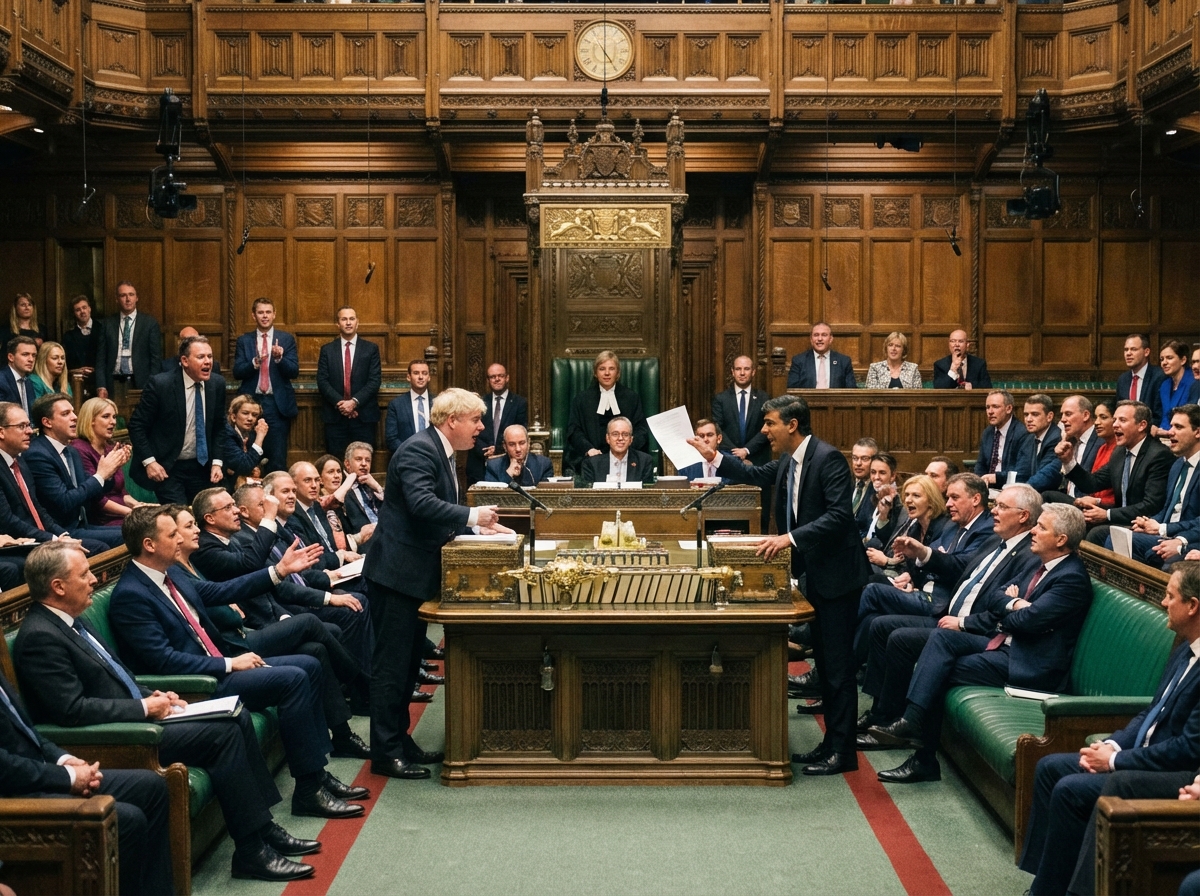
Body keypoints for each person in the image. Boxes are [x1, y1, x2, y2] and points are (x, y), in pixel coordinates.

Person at [12, 540, 321, 883]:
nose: (94, 580)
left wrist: (153, 694)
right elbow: (72, 710)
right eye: (84, 575)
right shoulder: (40, 636)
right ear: (58, 586)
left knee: (235, 716)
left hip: (138, 715)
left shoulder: (72, 619)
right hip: (120, 737)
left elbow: (118, 676)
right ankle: (252, 851)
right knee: (222, 734)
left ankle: (262, 831)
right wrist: (143, 707)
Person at [108, 505, 366, 820]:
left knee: (309, 663)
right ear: (149, 544)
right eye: (172, 533)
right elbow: (163, 660)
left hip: (216, 661)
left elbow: (222, 590)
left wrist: (279, 571)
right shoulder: (131, 595)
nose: (180, 538)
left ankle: (317, 776)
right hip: (197, 685)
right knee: (294, 677)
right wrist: (230, 664)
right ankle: (308, 791)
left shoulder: (168, 574)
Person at [689, 395, 869, 775]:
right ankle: (830, 745)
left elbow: (840, 516)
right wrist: (715, 457)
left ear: (792, 424)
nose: (764, 430)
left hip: (839, 578)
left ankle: (843, 753)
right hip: (816, 575)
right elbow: (756, 475)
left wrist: (790, 539)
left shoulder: (828, 458)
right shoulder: (789, 459)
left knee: (838, 669)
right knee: (825, 664)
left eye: (769, 423)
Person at [868, 501, 1092, 783]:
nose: (1034, 531)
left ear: (1061, 539)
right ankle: (911, 722)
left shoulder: (1071, 578)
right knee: (941, 639)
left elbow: (1029, 621)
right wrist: (1015, 604)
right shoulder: (1041, 563)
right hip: (1004, 644)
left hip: (1026, 663)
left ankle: (923, 756)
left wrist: (1011, 607)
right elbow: (995, 597)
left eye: (1041, 527)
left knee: (940, 670)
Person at [1019, 561, 1200, 896]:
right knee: (1050, 767)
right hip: (1142, 755)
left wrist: (1114, 761)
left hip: (1178, 772)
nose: (1163, 602)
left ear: (1192, 606)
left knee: (1074, 789)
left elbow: (1187, 748)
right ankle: (1046, 883)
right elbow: (1151, 712)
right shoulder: (1184, 649)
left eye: (1170, 596)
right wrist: (1112, 746)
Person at [363, 388, 512, 779]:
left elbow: (433, 516)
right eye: (475, 420)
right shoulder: (418, 450)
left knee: (409, 664)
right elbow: (421, 504)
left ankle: (399, 741)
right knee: (392, 667)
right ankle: (385, 753)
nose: (481, 428)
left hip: (412, 577)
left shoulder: (441, 450)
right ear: (452, 421)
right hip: (396, 576)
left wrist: (477, 531)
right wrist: (473, 516)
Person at [170, 501, 371, 759]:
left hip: (245, 630)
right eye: (187, 527)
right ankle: (363, 683)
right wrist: (278, 569)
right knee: (310, 623)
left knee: (315, 650)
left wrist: (277, 589)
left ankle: (343, 736)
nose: (196, 530)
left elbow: (223, 592)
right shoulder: (192, 560)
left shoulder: (188, 564)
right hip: (237, 642)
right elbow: (236, 580)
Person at [0, 662, 173, 895]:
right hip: (14, 795)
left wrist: (65, 760)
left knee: (150, 786)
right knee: (127, 820)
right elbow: (5, 768)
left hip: (42, 774)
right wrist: (69, 778)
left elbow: (30, 735)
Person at [853, 472, 996, 665]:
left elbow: (957, 566)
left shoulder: (979, 528)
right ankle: (847, 665)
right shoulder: (950, 527)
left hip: (940, 603)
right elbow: (926, 563)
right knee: (873, 618)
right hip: (924, 591)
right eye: (907, 495)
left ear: (976, 499)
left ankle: (838, 651)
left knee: (872, 588)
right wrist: (912, 578)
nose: (948, 504)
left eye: (954, 497)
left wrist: (918, 557)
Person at [0, 401, 109, 557]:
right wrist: (54, 539)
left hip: (43, 535)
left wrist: (63, 535)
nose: (30, 431)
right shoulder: (34, 455)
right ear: (1, 432)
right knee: (99, 548)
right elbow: (8, 520)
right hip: (18, 542)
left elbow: (38, 509)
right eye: (21, 426)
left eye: (29, 425)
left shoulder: (20, 462)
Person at [1056, 399, 1173, 543]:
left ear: (1142, 425)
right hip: (1121, 517)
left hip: (1145, 524)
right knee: (1074, 522)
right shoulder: (1119, 452)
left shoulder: (1158, 455)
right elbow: (1092, 483)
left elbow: (1151, 505)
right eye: (1115, 419)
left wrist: (1107, 514)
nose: (1115, 424)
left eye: (1122, 420)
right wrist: (1068, 461)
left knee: (1096, 533)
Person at [127, 334, 226, 504]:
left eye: (210, 356)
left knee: (205, 513)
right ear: (185, 361)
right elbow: (137, 425)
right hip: (168, 467)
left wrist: (217, 462)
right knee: (180, 515)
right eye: (201, 357)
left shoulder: (217, 384)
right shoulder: (161, 384)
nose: (208, 362)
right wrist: (149, 462)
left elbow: (219, 426)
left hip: (202, 467)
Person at [23, 393, 126, 548]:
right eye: (66, 414)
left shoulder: (71, 451)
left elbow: (94, 493)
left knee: (135, 531)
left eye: (73, 412)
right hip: (60, 530)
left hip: (81, 524)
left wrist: (110, 472)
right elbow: (65, 502)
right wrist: (101, 475)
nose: (75, 417)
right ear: (47, 422)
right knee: (123, 537)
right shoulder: (37, 454)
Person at [1116, 404, 1200, 567]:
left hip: (1190, 538)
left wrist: (1164, 529)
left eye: (1178, 427)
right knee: (1112, 537)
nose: (1170, 432)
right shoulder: (1178, 465)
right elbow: (1168, 508)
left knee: (1166, 562)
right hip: (1168, 534)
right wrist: (1149, 523)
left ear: (1197, 432)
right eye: (1171, 426)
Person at [233, 297, 298, 475]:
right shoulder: (244, 340)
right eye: (260, 312)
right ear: (253, 316)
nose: (265, 316)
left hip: (277, 405)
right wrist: (254, 362)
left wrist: (279, 359)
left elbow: (294, 371)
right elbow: (237, 371)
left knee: (277, 457)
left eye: (268, 312)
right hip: (250, 404)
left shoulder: (286, 339)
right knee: (249, 454)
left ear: (274, 314)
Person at [565, 351, 650, 473]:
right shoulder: (581, 399)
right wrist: (589, 449)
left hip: (626, 456)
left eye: (611, 369)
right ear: (595, 373)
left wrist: (625, 449)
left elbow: (641, 430)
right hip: (592, 458)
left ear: (618, 373)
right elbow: (574, 431)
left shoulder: (631, 398)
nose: (607, 373)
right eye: (602, 369)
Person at [316, 306, 381, 459]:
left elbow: (374, 380)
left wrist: (354, 402)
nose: (348, 322)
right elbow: (322, 381)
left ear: (357, 322)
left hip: (363, 417)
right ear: (338, 324)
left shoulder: (371, 349)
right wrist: (342, 404)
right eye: (344, 319)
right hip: (335, 418)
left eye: (352, 319)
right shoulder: (327, 350)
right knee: (336, 463)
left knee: (363, 463)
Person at [863, 474, 949, 580]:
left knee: (870, 577)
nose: (908, 500)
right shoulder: (915, 527)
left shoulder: (943, 527)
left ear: (931, 500)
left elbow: (933, 568)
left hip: (926, 584)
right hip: (903, 575)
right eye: (907, 495)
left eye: (916, 495)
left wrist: (888, 562)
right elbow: (907, 564)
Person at [72, 397, 141, 526]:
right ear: (90, 420)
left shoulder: (110, 448)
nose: (113, 422)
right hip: (103, 519)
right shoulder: (79, 449)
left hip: (123, 513)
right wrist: (132, 513)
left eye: (114, 417)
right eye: (106, 416)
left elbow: (120, 492)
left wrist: (138, 505)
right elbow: (95, 499)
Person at [94, 281, 163, 397]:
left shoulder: (149, 324)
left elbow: (156, 359)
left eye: (131, 295)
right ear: (117, 299)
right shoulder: (107, 324)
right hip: (113, 383)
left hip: (141, 383)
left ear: (137, 298)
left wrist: (153, 385)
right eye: (123, 295)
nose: (128, 299)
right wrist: (101, 385)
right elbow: (101, 358)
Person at [469, 363, 528, 485]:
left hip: (506, 463)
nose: (497, 379)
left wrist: (498, 449)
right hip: (479, 461)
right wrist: (485, 450)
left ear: (507, 378)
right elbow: (472, 430)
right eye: (492, 377)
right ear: (488, 380)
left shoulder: (519, 403)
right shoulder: (479, 402)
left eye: (500, 376)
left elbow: (520, 431)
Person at [1039, 395, 1101, 502]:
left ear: (1085, 415)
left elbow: (1091, 484)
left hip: (1086, 503)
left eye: (1068, 414)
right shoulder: (1071, 441)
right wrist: (1064, 439)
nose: (1062, 420)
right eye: (1062, 414)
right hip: (1070, 499)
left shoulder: (1099, 441)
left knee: (1046, 496)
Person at [974, 390, 1033, 486]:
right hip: (987, 486)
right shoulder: (988, 432)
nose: (990, 412)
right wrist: (978, 482)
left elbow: (1022, 472)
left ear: (1008, 409)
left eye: (995, 407)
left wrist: (996, 478)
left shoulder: (1022, 433)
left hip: (1010, 486)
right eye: (988, 407)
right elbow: (980, 465)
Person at [579, 416, 656, 486]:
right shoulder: (592, 464)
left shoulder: (644, 461)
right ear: (608, 438)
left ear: (631, 439)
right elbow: (587, 495)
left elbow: (647, 493)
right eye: (615, 434)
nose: (620, 438)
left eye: (625, 434)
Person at [385, 360, 436, 454]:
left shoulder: (438, 403)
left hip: (434, 456)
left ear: (429, 377)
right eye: (416, 373)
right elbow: (391, 439)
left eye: (424, 373)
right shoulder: (396, 405)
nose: (421, 377)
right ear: (408, 377)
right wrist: (411, 454)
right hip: (407, 457)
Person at [1115, 333, 1166, 427]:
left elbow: (1159, 414)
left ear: (1146, 352)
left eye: (1133, 349)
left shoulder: (1159, 377)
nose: (1128, 353)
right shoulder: (1122, 379)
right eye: (1126, 349)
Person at [786, 322, 857, 389]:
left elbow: (851, 389)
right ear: (811, 339)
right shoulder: (799, 360)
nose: (820, 339)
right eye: (816, 335)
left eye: (824, 335)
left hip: (835, 398)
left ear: (830, 339)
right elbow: (792, 389)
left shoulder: (844, 361)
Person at [340, 441, 384, 544]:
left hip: (385, 537)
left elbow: (392, 510)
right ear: (347, 464)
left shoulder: (372, 485)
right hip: (363, 544)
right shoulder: (341, 488)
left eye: (367, 460)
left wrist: (378, 487)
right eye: (358, 459)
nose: (364, 464)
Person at [221, 394, 268, 491]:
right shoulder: (226, 434)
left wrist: (256, 469)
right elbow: (244, 466)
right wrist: (260, 437)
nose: (250, 418)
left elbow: (260, 461)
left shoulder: (251, 433)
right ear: (233, 417)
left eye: (254, 415)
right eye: (245, 413)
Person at [484, 424, 553, 485]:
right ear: (505, 446)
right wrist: (508, 475)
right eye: (512, 444)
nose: (518, 449)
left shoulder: (544, 464)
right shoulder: (493, 466)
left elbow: (545, 494)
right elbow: (493, 494)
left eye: (522, 443)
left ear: (528, 443)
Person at [862, 453, 906, 549]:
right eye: (873, 472)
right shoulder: (871, 492)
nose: (876, 477)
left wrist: (883, 515)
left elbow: (888, 540)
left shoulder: (899, 502)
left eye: (882, 473)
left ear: (893, 476)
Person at [1154, 340, 1195, 437]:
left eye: (1169, 358)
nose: (1164, 363)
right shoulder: (1164, 385)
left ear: (1183, 360)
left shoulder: (1194, 382)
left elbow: (1193, 418)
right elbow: (1163, 416)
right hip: (1164, 436)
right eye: (1162, 359)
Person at [1021, 393, 1063, 490]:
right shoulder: (1029, 439)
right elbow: (1021, 471)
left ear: (1049, 417)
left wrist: (1021, 489)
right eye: (1026, 414)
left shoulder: (1056, 438)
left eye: (1035, 414)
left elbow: (1044, 478)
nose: (1028, 419)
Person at [60, 294, 99, 376]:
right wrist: (76, 371)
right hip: (77, 378)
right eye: (78, 310)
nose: (82, 312)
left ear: (89, 309)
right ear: (74, 313)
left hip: (99, 378)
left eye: (84, 307)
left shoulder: (102, 329)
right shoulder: (68, 336)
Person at [0, 335, 38, 416]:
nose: (31, 359)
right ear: (11, 357)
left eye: (34, 355)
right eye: (25, 354)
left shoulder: (28, 381)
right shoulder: (1, 380)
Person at [850, 438, 879, 537]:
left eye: (864, 459)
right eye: (855, 458)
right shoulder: (843, 483)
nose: (858, 463)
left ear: (875, 461)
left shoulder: (879, 489)